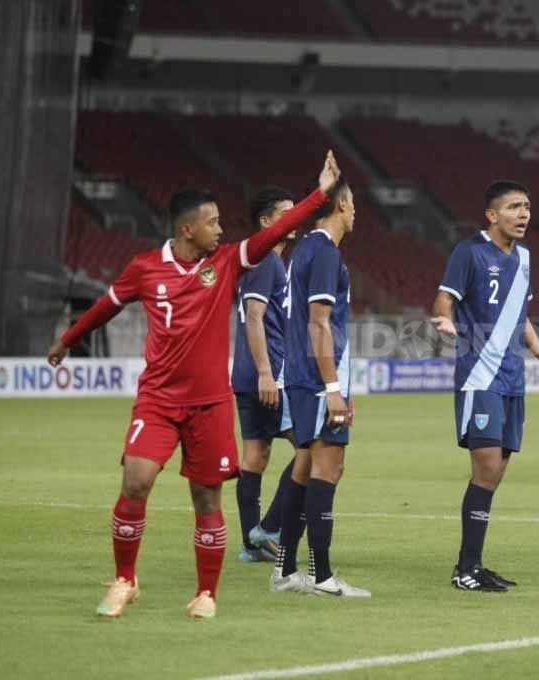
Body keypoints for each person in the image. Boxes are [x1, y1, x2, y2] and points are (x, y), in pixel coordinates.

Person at [47, 151, 341, 618]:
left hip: (209, 406)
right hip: (158, 401)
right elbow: (106, 306)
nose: (222, 230)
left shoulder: (226, 263)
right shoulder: (145, 268)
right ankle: (125, 579)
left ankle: (207, 592)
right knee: (136, 480)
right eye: (213, 222)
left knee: (206, 497)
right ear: (187, 230)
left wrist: (320, 194)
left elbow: (269, 235)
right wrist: (67, 340)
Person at [431, 180, 539, 593]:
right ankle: (467, 570)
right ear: (492, 215)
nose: (523, 214)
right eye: (515, 207)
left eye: (528, 207)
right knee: (485, 467)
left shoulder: (525, 259)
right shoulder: (469, 253)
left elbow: (521, 318)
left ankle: (471, 564)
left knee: (496, 473)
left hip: (513, 379)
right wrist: (445, 321)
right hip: (479, 375)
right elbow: (444, 300)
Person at [270, 175, 369, 597]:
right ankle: (322, 576)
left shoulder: (302, 250)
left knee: (306, 467)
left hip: (305, 376)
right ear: (343, 206)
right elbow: (318, 323)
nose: (356, 212)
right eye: (353, 204)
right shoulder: (326, 254)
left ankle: (284, 570)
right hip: (315, 380)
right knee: (329, 469)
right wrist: (332, 388)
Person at [231, 186, 303, 563]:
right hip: (266, 373)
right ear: (265, 222)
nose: (294, 219)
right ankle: (268, 529)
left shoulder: (268, 261)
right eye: (285, 213)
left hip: (250, 373)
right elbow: (254, 317)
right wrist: (266, 373)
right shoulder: (266, 261)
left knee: (256, 456)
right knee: (313, 446)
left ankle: (250, 544)